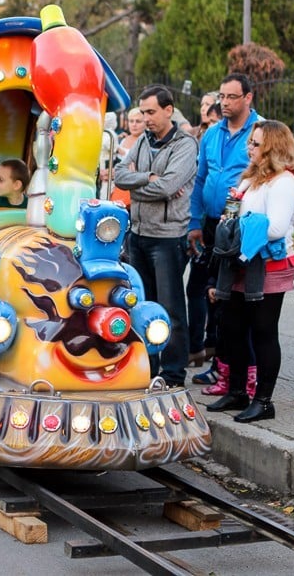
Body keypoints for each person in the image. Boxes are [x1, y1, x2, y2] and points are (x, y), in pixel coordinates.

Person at [205, 120, 294, 422]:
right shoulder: (252, 178)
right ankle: (237, 391)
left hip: (269, 264)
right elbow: (235, 210)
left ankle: (264, 400)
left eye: (256, 144)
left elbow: (274, 228)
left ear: (272, 148)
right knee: (233, 327)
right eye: (250, 142)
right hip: (241, 261)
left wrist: (237, 226)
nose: (250, 148)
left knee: (263, 331)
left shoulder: (283, 182)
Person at [114, 84, 198, 387]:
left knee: (171, 310)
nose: (146, 118)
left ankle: (173, 374)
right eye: (143, 112)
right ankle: (146, 369)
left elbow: (168, 186)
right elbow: (119, 174)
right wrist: (147, 179)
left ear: (168, 110)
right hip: (137, 234)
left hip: (167, 238)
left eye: (151, 112)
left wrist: (141, 187)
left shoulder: (185, 144)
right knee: (142, 306)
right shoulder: (142, 141)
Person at [187, 73, 261, 384]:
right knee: (208, 293)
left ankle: (240, 369)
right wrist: (194, 221)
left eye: (232, 97)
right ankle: (220, 364)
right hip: (212, 221)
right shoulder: (213, 133)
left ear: (248, 98)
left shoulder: (260, 132)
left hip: (241, 225)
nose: (225, 102)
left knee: (233, 299)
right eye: (222, 96)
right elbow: (201, 178)